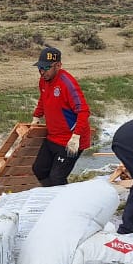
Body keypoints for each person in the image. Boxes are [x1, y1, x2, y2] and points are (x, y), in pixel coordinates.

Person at [30, 45, 90, 187]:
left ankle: (63, 203)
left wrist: (76, 137)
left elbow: (83, 111)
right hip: (53, 136)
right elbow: (43, 99)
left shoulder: (67, 84)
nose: (42, 72)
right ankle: (51, 196)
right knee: (39, 169)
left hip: (71, 140)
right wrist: (36, 116)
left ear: (58, 65)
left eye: (46, 68)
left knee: (57, 177)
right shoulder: (43, 80)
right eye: (40, 68)